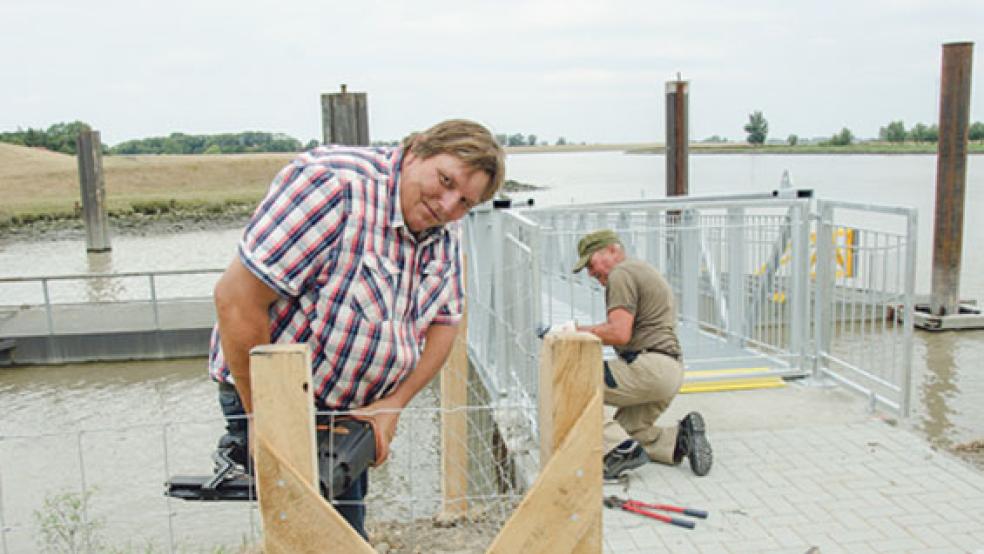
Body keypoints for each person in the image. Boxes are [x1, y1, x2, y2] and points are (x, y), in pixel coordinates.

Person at [207, 119, 505, 538]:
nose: (448, 205)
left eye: (465, 202)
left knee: (344, 531)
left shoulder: (445, 224)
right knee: (311, 538)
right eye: (444, 180)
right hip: (276, 398)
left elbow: (445, 320)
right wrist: (266, 414)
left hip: (355, 411)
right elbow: (236, 298)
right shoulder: (333, 186)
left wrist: (394, 402)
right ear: (416, 150)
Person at [571, 229, 712, 480]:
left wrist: (574, 332)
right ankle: (679, 438)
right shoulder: (643, 270)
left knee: (573, 384)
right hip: (670, 369)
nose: (591, 274)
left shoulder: (621, 274)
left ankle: (617, 451)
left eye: (591, 265)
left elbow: (619, 332)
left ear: (612, 250)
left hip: (648, 367)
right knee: (629, 432)